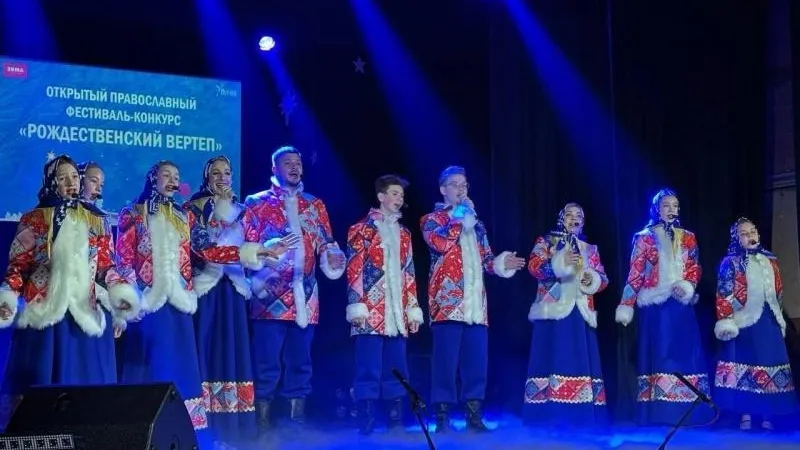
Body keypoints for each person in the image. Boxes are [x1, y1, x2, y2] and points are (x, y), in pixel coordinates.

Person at [115, 160, 279, 440]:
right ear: (153, 178)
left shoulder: (183, 215)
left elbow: (208, 250)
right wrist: (129, 299)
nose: (172, 180)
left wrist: (253, 252)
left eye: (176, 176)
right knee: (147, 366)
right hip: (147, 303)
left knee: (180, 368)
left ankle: (182, 434)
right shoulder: (132, 213)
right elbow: (123, 258)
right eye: (166, 175)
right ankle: (139, 433)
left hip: (179, 302)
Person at [0, 155, 139, 426]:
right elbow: (18, 267)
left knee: (84, 391)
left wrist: (119, 294)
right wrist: (7, 298)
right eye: (62, 178)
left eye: (74, 176)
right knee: (40, 393)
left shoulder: (96, 220)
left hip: (83, 313)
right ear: (52, 182)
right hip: (44, 316)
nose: (70, 182)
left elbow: (106, 267)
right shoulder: (34, 219)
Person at [185, 156, 298, 443]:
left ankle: (234, 429)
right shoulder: (194, 208)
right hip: (208, 292)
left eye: (227, 172)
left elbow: (254, 244)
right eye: (216, 173)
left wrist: (270, 249)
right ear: (207, 177)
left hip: (234, 291)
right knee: (207, 354)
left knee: (233, 355)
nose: (223, 178)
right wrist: (253, 250)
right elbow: (204, 249)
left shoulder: (243, 210)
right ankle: (205, 429)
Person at [243, 146, 345, 433]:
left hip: (306, 296)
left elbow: (326, 242)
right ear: (274, 169)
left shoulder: (315, 205)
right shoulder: (256, 203)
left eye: (298, 163)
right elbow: (248, 245)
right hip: (268, 296)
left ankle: (295, 423)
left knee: (301, 362)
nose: (294, 167)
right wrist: (267, 251)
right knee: (266, 362)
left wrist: (332, 257)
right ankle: (261, 423)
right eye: (287, 163)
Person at [420, 165, 526, 432]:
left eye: (464, 185)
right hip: (447, 303)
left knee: (476, 363)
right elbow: (441, 244)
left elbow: (486, 260)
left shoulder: (477, 226)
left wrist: (501, 264)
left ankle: (474, 416)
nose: (461, 189)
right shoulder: (432, 219)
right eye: (455, 184)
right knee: (445, 363)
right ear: (443, 189)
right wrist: (460, 216)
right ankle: (442, 418)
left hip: (476, 305)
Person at [615, 188, 713, 426]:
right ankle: (661, 413)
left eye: (675, 205)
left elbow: (694, 267)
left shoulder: (688, 237)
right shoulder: (644, 237)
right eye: (667, 205)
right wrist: (626, 304)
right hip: (656, 307)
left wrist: (687, 285)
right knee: (661, 355)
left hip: (681, 304)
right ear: (656, 209)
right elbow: (635, 273)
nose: (672, 209)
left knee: (685, 353)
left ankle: (689, 411)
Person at [345, 175, 424, 435]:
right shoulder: (361, 229)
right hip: (370, 310)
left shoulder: (404, 234)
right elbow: (354, 269)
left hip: (397, 311)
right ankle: (366, 420)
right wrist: (357, 305)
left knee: (397, 365)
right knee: (368, 366)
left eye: (401, 195)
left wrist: (412, 309)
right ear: (381, 196)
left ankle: (395, 419)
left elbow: (409, 273)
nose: (399, 199)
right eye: (394, 193)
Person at [525, 203, 608, 428]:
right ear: (561, 219)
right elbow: (534, 267)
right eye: (569, 214)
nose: (574, 218)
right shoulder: (547, 241)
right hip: (553, 310)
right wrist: (559, 264)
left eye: (579, 215)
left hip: (581, 311)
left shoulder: (589, 249)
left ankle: (581, 415)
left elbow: (602, 278)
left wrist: (592, 279)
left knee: (580, 359)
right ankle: (549, 415)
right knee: (554, 357)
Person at [713, 217, 797, 430]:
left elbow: (778, 290)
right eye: (744, 233)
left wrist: (779, 317)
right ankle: (746, 413)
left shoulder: (770, 259)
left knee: (769, 364)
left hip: (769, 319)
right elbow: (724, 293)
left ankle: (768, 414)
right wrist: (726, 319)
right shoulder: (731, 262)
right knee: (747, 364)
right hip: (745, 321)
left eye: (752, 231)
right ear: (736, 238)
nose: (750, 236)